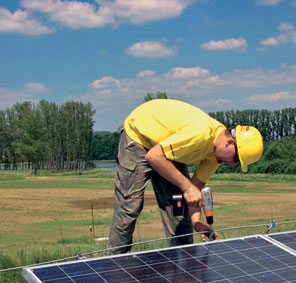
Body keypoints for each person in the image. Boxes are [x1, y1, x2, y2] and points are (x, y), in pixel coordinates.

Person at [108, 99, 263, 254]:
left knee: (179, 209)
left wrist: (197, 222)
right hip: (139, 139)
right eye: (236, 159)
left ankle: (182, 269)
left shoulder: (216, 156)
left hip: (168, 150)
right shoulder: (199, 135)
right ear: (229, 143)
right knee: (129, 208)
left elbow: (195, 190)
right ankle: (116, 265)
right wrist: (187, 187)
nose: (232, 164)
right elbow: (154, 156)